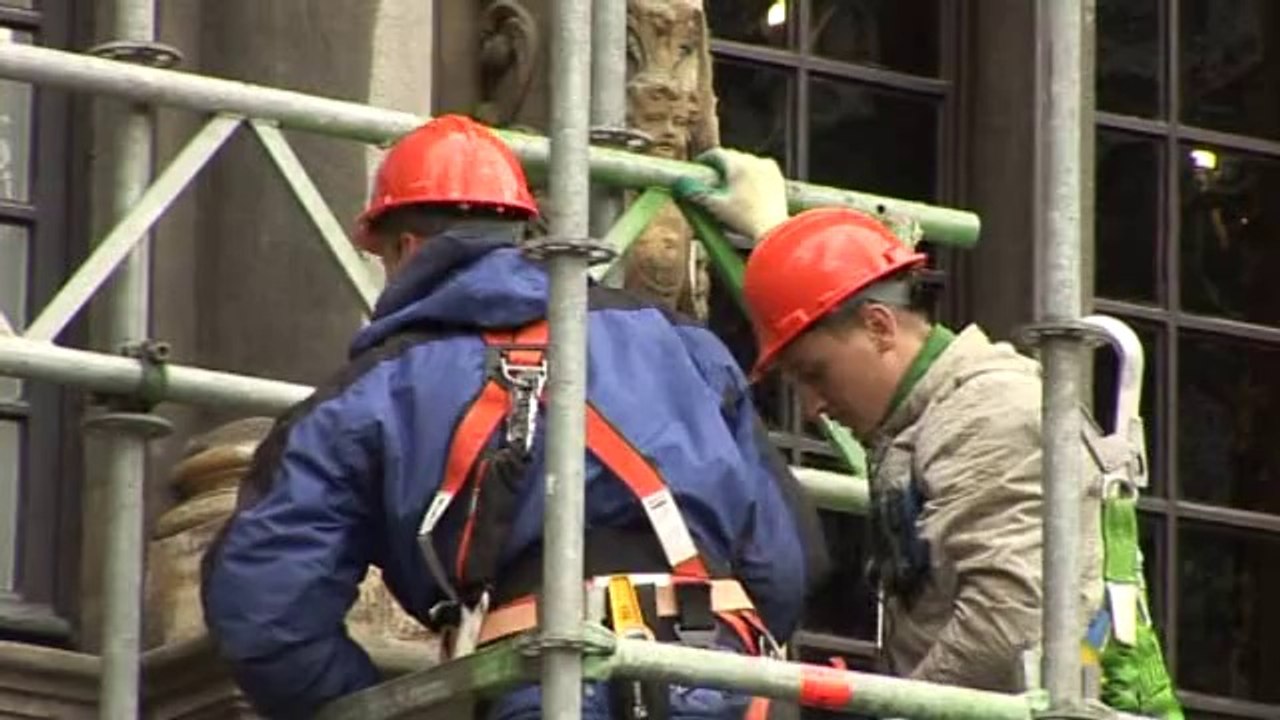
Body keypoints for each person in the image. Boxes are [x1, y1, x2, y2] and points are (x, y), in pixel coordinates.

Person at [200, 115, 829, 720]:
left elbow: (268, 610)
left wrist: (377, 707)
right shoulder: (677, 343)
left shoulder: (370, 397)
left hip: (544, 679)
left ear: (406, 247)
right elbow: (785, 559)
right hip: (721, 675)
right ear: (521, 229)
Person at [675, 149, 1103, 692]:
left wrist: (898, 710)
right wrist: (778, 237)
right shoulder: (939, 416)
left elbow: (1010, 623)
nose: (812, 408)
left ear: (880, 327)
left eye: (816, 374)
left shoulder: (989, 413)